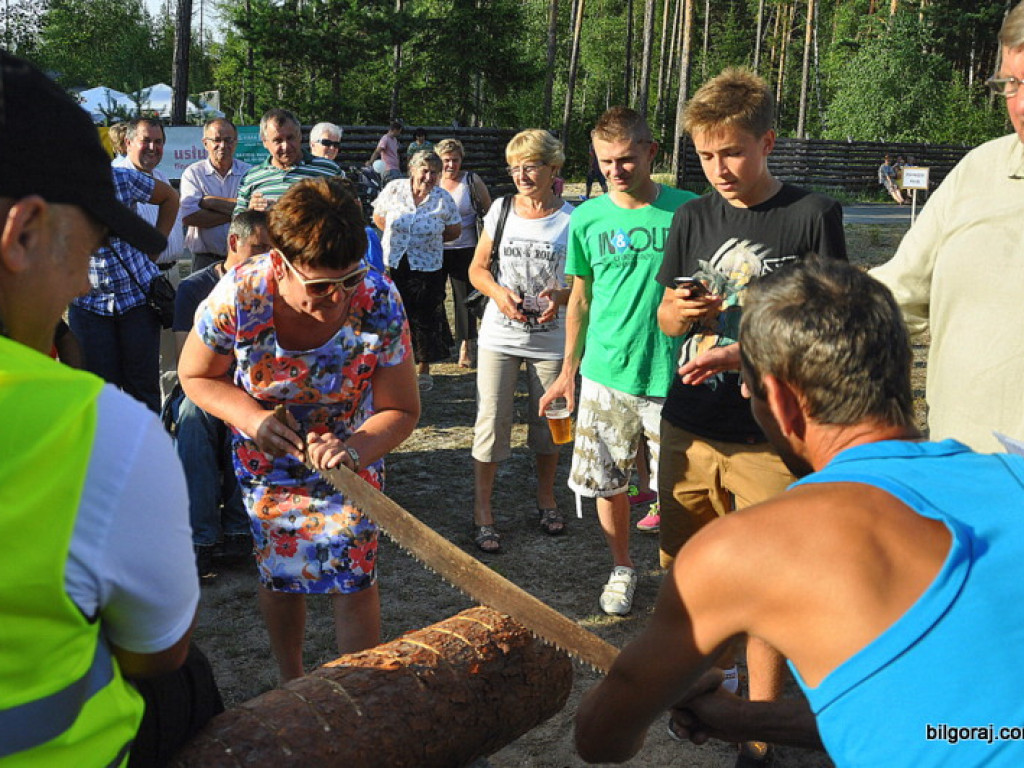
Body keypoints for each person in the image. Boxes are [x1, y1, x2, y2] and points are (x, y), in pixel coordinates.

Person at [576, 255, 1024, 768]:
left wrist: (663, 695)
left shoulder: (741, 548)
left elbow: (601, 741)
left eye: (749, 384)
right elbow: (961, 724)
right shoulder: (1015, 475)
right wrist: (747, 721)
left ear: (783, 404)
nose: (745, 392)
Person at [0, 50, 217, 766]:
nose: (77, 286)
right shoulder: (102, 434)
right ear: (24, 234)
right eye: (85, 252)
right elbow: (158, 650)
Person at [655, 66, 847, 766]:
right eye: (706, 156)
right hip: (688, 424)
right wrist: (677, 314)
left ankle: (759, 735)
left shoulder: (812, 215)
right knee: (690, 573)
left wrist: (750, 352)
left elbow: (829, 324)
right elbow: (666, 316)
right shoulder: (691, 216)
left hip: (770, 435)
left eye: (732, 152)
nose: (719, 169)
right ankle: (704, 696)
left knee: (766, 588)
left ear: (768, 142)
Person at [179, 177, 419, 683]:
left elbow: (401, 409)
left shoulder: (379, 299)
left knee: (354, 572)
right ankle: (294, 683)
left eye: (348, 280)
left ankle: (359, 689)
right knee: (281, 572)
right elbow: (196, 375)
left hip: (351, 457)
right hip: (266, 461)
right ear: (280, 262)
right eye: (318, 286)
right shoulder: (240, 294)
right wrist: (253, 419)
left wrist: (353, 449)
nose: (335, 299)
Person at [538, 107, 697, 616]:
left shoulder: (691, 211)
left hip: (675, 376)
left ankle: (684, 579)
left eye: (626, 159)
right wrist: (567, 371)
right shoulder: (586, 218)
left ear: (652, 153)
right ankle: (623, 566)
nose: (615, 170)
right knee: (607, 482)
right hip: (606, 375)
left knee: (680, 490)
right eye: (606, 161)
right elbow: (580, 299)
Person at [870, 1, 1024, 455]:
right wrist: (775, 343)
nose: (1022, 104)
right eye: (1012, 84)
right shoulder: (981, 170)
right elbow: (898, 293)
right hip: (965, 477)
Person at [467, 129, 573, 553]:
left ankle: (546, 498)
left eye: (530, 166)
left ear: (553, 168)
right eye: (515, 167)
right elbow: (477, 269)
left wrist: (561, 298)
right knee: (491, 421)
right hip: (499, 333)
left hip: (552, 337)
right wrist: (498, 294)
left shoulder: (574, 218)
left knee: (550, 425)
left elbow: (589, 284)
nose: (522, 175)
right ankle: (482, 511)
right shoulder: (500, 209)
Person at [171, 211, 273, 581]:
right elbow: (189, 364)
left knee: (254, 416)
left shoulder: (271, 287)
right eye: (258, 248)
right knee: (195, 418)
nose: (267, 258)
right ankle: (201, 538)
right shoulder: (194, 288)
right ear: (234, 244)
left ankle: (238, 529)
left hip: (250, 387)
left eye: (272, 249)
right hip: (203, 385)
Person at [67, 165, 180, 413]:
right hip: (88, 305)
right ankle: (106, 450)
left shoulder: (121, 177)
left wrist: (155, 244)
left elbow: (170, 197)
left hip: (136, 301)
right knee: (98, 392)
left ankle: (146, 449)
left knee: (143, 391)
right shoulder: (49, 188)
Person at [372, 150, 461, 392]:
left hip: (428, 264)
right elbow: (379, 217)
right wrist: (396, 235)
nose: (429, 176)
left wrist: (428, 237)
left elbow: (454, 231)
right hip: (395, 261)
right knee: (395, 314)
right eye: (425, 171)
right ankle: (396, 364)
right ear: (413, 169)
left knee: (425, 316)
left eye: (435, 172)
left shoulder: (443, 198)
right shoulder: (394, 188)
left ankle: (423, 367)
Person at [437, 137, 493, 368]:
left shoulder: (471, 181)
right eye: (446, 160)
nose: (451, 165)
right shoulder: (432, 179)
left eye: (455, 160)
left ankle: (466, 345)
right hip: (435, 248)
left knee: (464, 299)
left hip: (465, 247)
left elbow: (489, 213)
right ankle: (441, 343)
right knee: (435, 298)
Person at [234, 108, 340, 215]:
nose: (286, 146)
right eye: (278, 141)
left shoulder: (329, 170)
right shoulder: (251, 178)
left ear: (299, 136)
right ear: (265, 142)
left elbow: (350, 213)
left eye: (290, 138)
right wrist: (250, 213)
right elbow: (237, 223)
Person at [179, 117, 252, 272]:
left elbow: (256, 215)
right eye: (217, 140)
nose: (223, 146)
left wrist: (211, 203)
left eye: (228, 140)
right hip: (205, 261)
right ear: (205, 143)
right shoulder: (193, 174)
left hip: (243, 262)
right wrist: (240, 212)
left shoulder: (249, 173)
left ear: (236, 142)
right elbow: (189, 217)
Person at [113, 117, 187, 266]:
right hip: (142, 277)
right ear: (128, 143)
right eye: (145, 141)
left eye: (158, 142)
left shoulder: (161, 177)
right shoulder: (119, 182)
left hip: (171, 271)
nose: (152, 147)